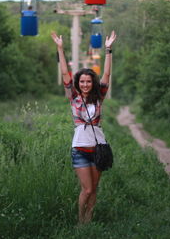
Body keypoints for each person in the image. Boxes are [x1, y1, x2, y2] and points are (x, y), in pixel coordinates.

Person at [51, 30, 117, 224]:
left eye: (89, 81)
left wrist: (108, 49)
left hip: (98, 148)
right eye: (82, 81)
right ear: (78, 84)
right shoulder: (74, 97)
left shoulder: (99, 97)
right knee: (86, 189)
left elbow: (106, 74)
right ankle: (81, 222)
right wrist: (60, 48)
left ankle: (89, 219)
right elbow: (65, 73)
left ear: (92, 83)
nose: (86, 84)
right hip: (80, 149)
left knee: (94, 189)